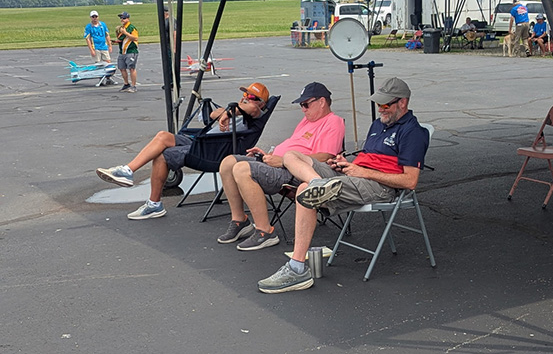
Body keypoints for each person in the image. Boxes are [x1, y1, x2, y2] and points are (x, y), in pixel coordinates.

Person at [257, 77, 429, 293]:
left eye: (385, 105)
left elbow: (410, 181)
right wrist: (345, 165)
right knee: (292, 156)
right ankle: (318, 182)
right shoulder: (379, 124)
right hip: (355, 175)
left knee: (304, 191)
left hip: (379, 186)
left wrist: (361, 171)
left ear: (402, 103)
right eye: (378, 104)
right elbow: (367, 158)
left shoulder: (413, 132)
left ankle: (297, 268)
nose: (380, 109)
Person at [95, 82, 270, 220]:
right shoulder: (237, 111)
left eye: (250, 96)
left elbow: (251, 108)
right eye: (244, 94)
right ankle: (127, 171)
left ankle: (154, 204)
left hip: (212, 151)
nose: (245, 98)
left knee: (163, 155)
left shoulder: (255, 113)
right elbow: (213, 114)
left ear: (261, 103)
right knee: (163, 136)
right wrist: (227, 113)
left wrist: (231, 112)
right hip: (204, 142)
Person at [217, 82, 345, 251]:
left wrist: (282, 160)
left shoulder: (333, 122)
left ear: (322, 102)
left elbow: (325, 157)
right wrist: (269, 155)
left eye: (306, 104)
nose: (303, 109)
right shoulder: (307, 121)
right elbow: (293, 145)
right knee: (228, 163)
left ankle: (265, 232)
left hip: (295, 172)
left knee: (241, 169)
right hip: (278, 162)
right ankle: (240, 220)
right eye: (301, 105)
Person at [84, 11, 116, 86]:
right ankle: (100, 79)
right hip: (96, 47)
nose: (94, 18)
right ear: (91, 18)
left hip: (104, 46)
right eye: (93, 17)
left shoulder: (103, 25)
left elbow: (107, 35)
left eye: (96, 17)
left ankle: (108, 78)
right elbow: (88, 39)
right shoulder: (89, 27)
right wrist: (91, 49)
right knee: (98, 64)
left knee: (108, 62)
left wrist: (110, 45)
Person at [114, 12, 139, 93]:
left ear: (128, 19)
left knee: (131, 68)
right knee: (122, 68)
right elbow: (122, 39)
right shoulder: (122, 28)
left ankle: (134, 85)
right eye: (121, 18)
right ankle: (126, 84)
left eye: (123, 18)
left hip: (131, 51)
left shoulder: (131, 28)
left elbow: (135, 38)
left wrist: (126, 33)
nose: (122, 20)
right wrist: (117, 41)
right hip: (122, 51)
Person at [163, 7, 179, 90]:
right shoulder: (165, 21)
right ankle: (169, 81)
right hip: (166, 45)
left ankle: (173, 82)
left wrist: (174, 47)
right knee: (168, 64)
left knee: (170, 64)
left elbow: (174, 33)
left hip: (170, 45)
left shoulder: (171, 20)